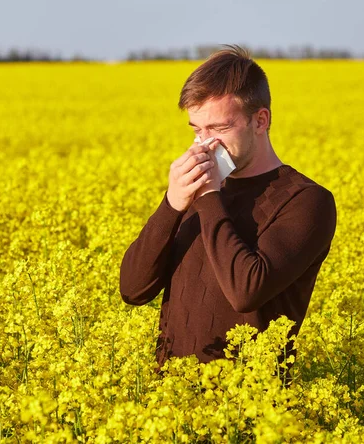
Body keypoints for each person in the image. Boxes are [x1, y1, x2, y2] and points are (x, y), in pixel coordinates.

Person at [119, 44, 337, 385]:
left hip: (250, 413)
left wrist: (208, 196)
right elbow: (133, 290)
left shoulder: (306, 201)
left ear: (260, 121)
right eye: (196, 130)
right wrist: (172, 203)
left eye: (218, 129)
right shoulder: (195, 192)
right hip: (169, 406)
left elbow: (246, 291)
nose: (203, 145)